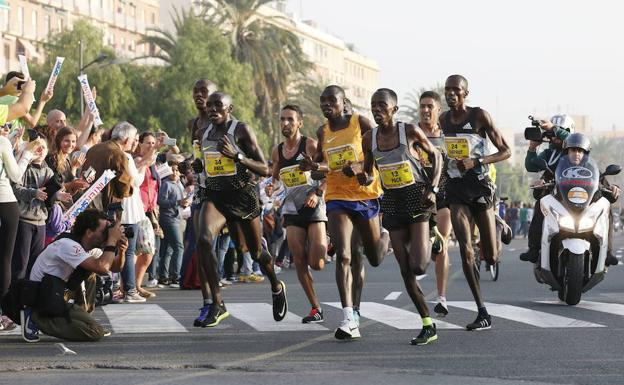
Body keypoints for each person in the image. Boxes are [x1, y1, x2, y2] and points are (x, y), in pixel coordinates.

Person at [300, 85, 389, 340]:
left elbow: (377, 150)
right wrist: (312, 167)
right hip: (337, 197)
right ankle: (349, 316)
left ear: (343, 102)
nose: (327, 104)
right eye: (323, 101)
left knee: (372, 257)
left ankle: (386, 234)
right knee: (345, 255)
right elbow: (320, 169)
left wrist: (360, 166)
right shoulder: (322, 131)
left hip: (365, 194)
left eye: (332, 100)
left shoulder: (359, 122)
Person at [191, 92, 286, 327]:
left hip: (242, 197)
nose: (213, 109)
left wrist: (238, 156)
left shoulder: (241, 130)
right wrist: (194, 165)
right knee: (203, 239)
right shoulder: (203, 133)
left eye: (218, 105)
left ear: (229, 108)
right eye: (210, 105)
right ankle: (217, 303)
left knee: (252, 251)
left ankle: (275, 284)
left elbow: (265, 168)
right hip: (215, 197)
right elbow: (203, 164)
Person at [359, 88, 442, 345]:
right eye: (373, 106)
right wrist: (366, 178)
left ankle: (432, 235)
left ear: (394, 109)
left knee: (419, 266)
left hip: (418, 195)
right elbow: (369, 171)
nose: (376, 110)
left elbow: (436, 156)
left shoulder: (409, 132)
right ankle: (427, 324)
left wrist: (434, 188)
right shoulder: (368, 138)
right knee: (405, 269)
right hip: (393, 200)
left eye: (382, 106)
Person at [440, 74, 510, 330]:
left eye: (456, 90)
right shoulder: (443, 120)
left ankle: (498, 224)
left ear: (465, 93)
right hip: (457, 189)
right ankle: (482, 311)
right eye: (447, 90)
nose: (451, 94)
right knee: (466, 250)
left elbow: (506, 151)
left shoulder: (479, 116)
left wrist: (477, 161)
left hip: (480, 186)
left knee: (490, 256)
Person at [21, 209, 127, 342]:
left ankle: (80, 317)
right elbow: (102, 268)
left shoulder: (88, 248)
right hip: (43, 298)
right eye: (104, 231)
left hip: (57, 294)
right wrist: (111, 240)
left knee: (92, 270)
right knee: (94, 332)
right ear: (89, 232)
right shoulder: (68, 245)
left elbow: (114, 267)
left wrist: (121, 251)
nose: (107, 234)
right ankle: (35, 318)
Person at [270, 104, 328, 323]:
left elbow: (327, 172)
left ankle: (327, 239)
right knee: (300, 261)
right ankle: (316, 308)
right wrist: (270, 186)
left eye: (290, 120)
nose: (285, 123)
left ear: (299, 123)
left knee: (317, 263)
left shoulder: (310, 145)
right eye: (282, 119)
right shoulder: (277, 151)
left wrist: (318, 192)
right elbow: (275, 176)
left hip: (314, 206)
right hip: (292, 209)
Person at [11, 137, 72, 281]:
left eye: (43, 147)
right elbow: (16, 189)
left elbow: (50, 194)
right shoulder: (23, 167)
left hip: (41, 222)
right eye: (37, 146)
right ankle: (14, 300)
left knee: (35, 263)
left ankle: (29, 298)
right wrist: (34, 193)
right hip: (24, 220)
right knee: (20, 264)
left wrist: (58, 195)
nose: (40, 150)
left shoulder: (49, 171)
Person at [415, 91, 452, 317]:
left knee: (443, 242)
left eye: (430, 106)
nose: (426, 110)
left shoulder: (447, 136)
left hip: (444, 194)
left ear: (439, 110)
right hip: (417, 195)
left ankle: (441, 298)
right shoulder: (411, 133)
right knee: (420, 250)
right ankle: (429, 241)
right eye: (422, 106)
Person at [520, 115, 573, 263]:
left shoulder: (576, 152)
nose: (554, 137)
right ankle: (534, 249)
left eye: (558, 133)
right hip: (554, 194)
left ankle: (606, 252)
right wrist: (532, 147)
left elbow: (571, 138)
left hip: (576, 194)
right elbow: (530, 165)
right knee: (539, 208)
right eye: (552, 135)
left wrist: (552, 128)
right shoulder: (550, 153)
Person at [157, 161, 190, 288]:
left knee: (169, 249)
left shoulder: (179, 184)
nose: (175, 172)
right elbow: (161, 201)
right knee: (179, 247)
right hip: (169, 218)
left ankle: (164, 276)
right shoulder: (166, 184)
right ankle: (176, 276)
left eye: (177, 170)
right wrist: (177, 202)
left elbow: (182, 200)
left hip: (178, 218)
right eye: (173, 170)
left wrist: (185, 202)